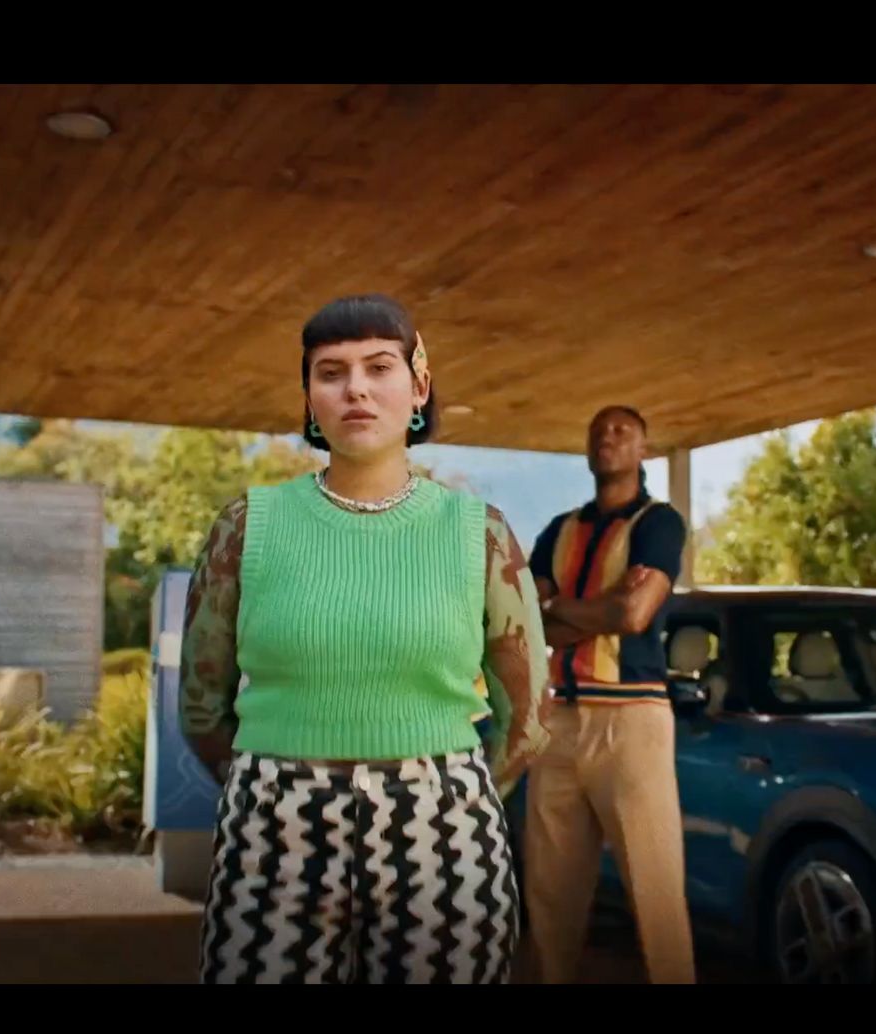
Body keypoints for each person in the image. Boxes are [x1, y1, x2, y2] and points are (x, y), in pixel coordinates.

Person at [178, 293, 550, 984]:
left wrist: (450, 794)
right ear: (309, 396)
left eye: (379, 367)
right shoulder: (245, 527)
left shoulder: (480, 533)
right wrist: (268, 783)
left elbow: (525, 718)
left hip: (446, 830)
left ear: (419, 386)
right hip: (273, 828)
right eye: (330, 371)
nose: (355, 388)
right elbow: (201, 705)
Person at [521, 404, 695, 984]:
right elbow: (528, 620)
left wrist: (562, 609)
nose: (607, 438)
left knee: (655, 886)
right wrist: (601, 610)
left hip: (633, 720)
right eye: (597, 431)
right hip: (561, 719)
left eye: (621, 431)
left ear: (643, 448)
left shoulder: (659, 522)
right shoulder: (558, 529)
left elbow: (636, 612)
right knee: (548, 892)